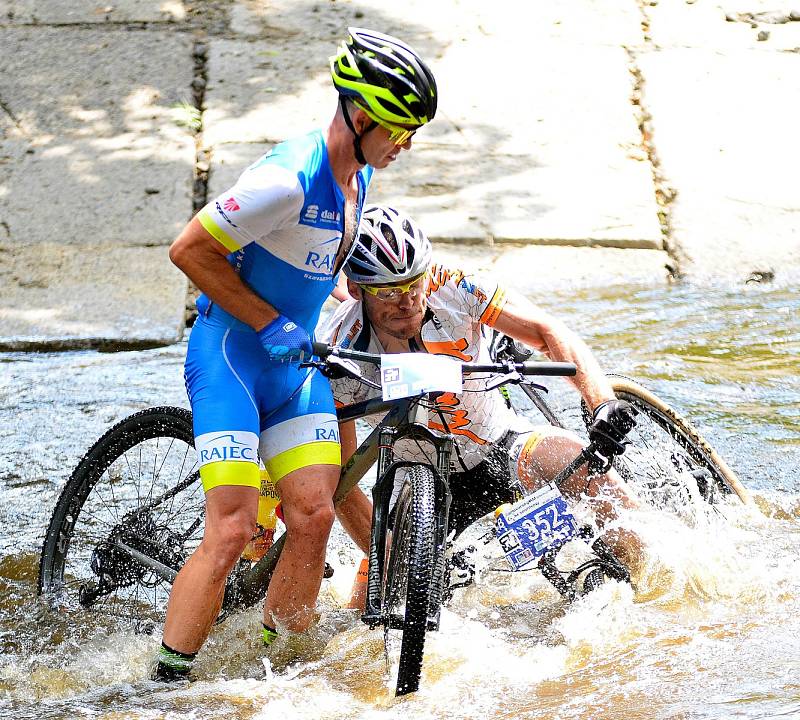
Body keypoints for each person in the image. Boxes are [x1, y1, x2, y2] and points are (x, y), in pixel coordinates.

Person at [152, 29, 437, 681]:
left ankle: (277, 676)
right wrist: (271, 321)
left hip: (293, 370)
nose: (407, 145)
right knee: (231, 530)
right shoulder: (287, 180)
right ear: (361, 116)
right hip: (233, 360)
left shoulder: (357, 178)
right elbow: (188, 251)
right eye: (400, 129)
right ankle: (161, 686)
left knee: (312, 513)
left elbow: (313, 267)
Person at [317, 205, 643, 593]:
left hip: (501, 443)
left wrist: (601, 402)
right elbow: (341, 482)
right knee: (366, 618)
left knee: (590, 475)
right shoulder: (339, 348)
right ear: (356, 290)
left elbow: (547, 330)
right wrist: (382, 551)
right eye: (388, 291)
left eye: (413, 285)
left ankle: (648, 581)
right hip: (415, 483)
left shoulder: (455, 287)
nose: (406, 302)